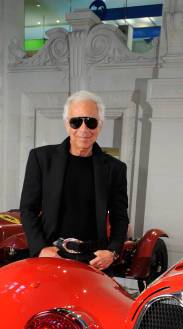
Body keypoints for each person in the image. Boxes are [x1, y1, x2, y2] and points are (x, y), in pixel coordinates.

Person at [20, 90, 129, 271]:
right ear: (66, 124)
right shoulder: (40, 158)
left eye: (91, 122)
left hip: (95, 262)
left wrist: (112, 252)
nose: (83, 129)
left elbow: (120, 217)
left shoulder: (115, 168)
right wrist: (40, 248)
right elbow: (28, 209)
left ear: (100, 125)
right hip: (52, 255)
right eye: (76, 122)